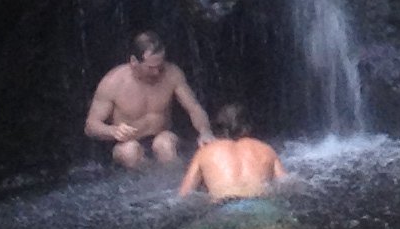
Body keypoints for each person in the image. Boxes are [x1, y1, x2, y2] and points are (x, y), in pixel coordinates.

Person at [83, 32, 210, 169]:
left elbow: (194, 108)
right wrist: (113, 131)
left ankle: (174, 186)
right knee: (129, 151)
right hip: (127, 143)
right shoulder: (112, 82)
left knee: (164, 144)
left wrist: (205, 132)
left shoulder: (172, 74)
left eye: (159, 66)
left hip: (162, 135)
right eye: (150, 68)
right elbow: (91, 126)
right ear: (134, 61)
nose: (156, 73)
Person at [177, 102, 289, 201]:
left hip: (224, 208)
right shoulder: (266, 150)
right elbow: (286, 184)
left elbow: (185, 194)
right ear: (248, 126)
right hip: (260, 205)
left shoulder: (205, 152)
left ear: (219, 126)